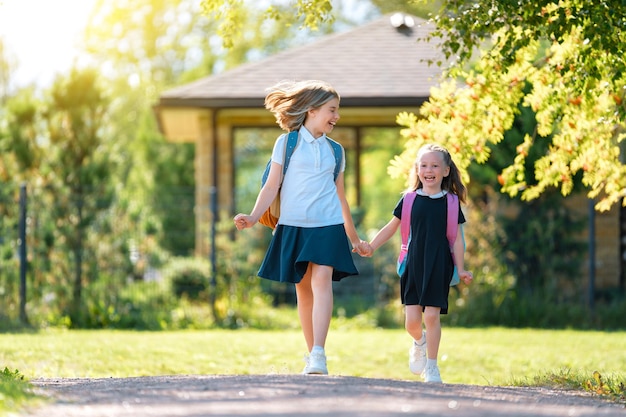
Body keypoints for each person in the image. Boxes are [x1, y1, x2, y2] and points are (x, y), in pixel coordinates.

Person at [233, 79, 367, 375]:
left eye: (338, 110)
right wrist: (254, 217)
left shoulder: (337, 151)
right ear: (312, 110)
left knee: (321, 282)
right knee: (304, 291)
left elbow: (341, 197)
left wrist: (355, 238)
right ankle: (312, 354)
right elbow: (272, 185)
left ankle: (319, 353)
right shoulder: (287, 143)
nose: (337, 116)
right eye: (332, 110)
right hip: (294, 226)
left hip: (328, 226)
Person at [360, 143, 473, 383]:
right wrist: (371, 245)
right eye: (423, 165)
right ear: (417, 169)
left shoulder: (451, 203)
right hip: (413, 263)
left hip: (439, 264)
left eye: (434, 165)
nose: (428, 170)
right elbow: (392, 228)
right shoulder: (409, 200)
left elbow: (458, 241)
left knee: (432, 316)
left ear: (445, 171)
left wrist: (461, 269)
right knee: (412, 322)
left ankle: (432, 366)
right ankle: (419, 342)